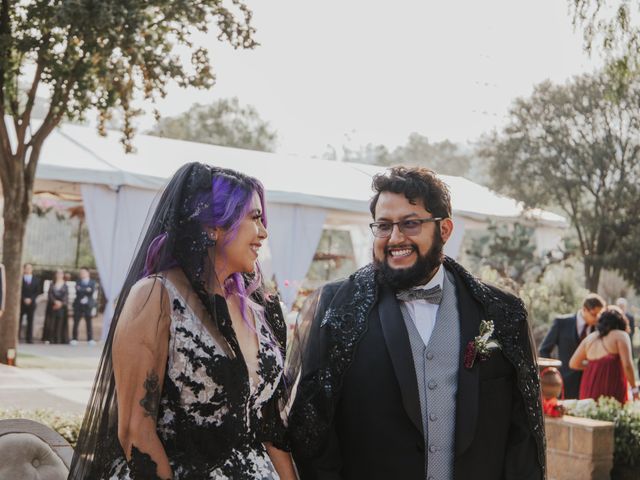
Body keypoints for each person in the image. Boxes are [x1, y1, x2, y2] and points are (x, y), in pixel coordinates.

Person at [286, 166, 545, 480]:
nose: (395, 238)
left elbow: (522, 436)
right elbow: (313, 432)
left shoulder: (501, 311)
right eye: (383, 226)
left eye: (410, 224)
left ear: (445, 230)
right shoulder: (337, 307)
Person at [69, 163, 296, 479]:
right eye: (254, 217)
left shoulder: (263, 309)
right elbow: (136, 431)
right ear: (213, 226)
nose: (263, 232)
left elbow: (273, 430)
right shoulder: (155, 298)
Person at [538, 293, 605, 399]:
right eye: (594, 314)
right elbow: (544, 349)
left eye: (599, 315)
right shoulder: (562, 323)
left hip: (588, 382)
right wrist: (553, 373)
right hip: (563, 382)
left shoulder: (598, 329)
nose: (597, 318)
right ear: (584, 309)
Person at [569, 306, 639, 403]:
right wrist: (634, 388)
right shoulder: (621, 335)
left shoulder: (590, 338)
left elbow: (573, 363)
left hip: (589, 386)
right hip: (611, 386)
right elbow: (627, 365)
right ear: (621, 320)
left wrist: (593, 365)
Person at [43, 269, 70, 344]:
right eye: (58, 273)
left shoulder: (65, 285)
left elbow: (66, 296)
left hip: (62, 308)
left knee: (60, 324)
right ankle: (50, 339)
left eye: (61, 273)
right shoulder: (52, 284)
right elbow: (50, 295)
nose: (59, 275)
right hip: (52, 307)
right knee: (51, 324)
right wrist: (55, 302)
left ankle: (59, 339)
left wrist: (60, 304)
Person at [71, 267, 97, 345]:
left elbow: (91, 291)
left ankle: (90, 339)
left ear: (87, 273)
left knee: (89, 322)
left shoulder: (92, 282)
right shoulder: (78, 282)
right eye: (81, 272)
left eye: (83, 272)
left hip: (88, 305)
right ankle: (74, 338)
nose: (81, 274)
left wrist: (82, 289)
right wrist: (86, 289)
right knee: (76, 322)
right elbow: (78, 291)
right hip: (78, 305)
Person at [20, 263, 40, 344]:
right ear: (24, 269)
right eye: (26, 268)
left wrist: (31, 299)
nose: (28, 269)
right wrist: (24, 298)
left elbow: (37, 291)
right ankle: (17, 337)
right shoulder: (20, 279)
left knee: (30, 321)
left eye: (30, 268)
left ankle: (29, 338)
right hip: (21, 303)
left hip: (32, 303)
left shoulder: (36, 280)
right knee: (19, 320)